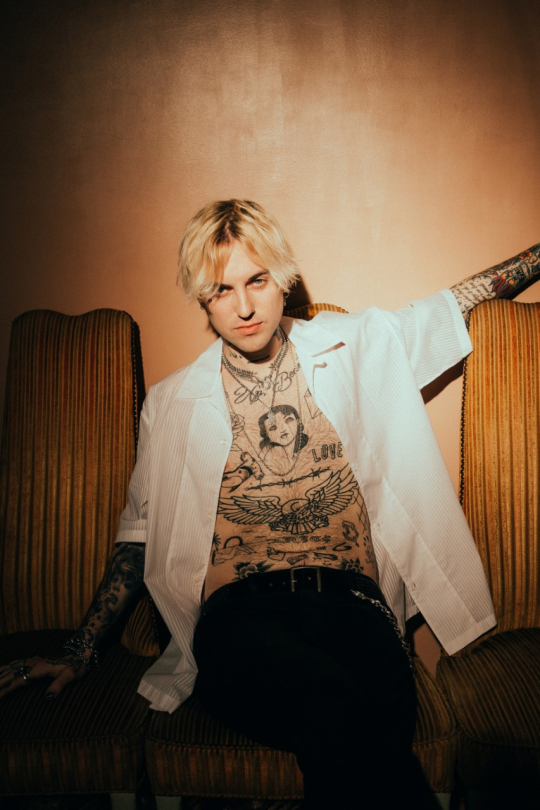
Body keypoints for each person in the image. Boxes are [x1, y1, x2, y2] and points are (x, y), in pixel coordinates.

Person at [1, 199, 539, 809]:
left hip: (356, 607)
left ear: (282, 278)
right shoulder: (171, 405)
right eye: (221, 289)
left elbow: (459, 301)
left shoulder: (357, 345)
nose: (244, 307)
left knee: (363, 721)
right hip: (241, 618)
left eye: (256, 280)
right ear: (203, 300)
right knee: (338, 709)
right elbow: (138, 537)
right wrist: (79, 648)